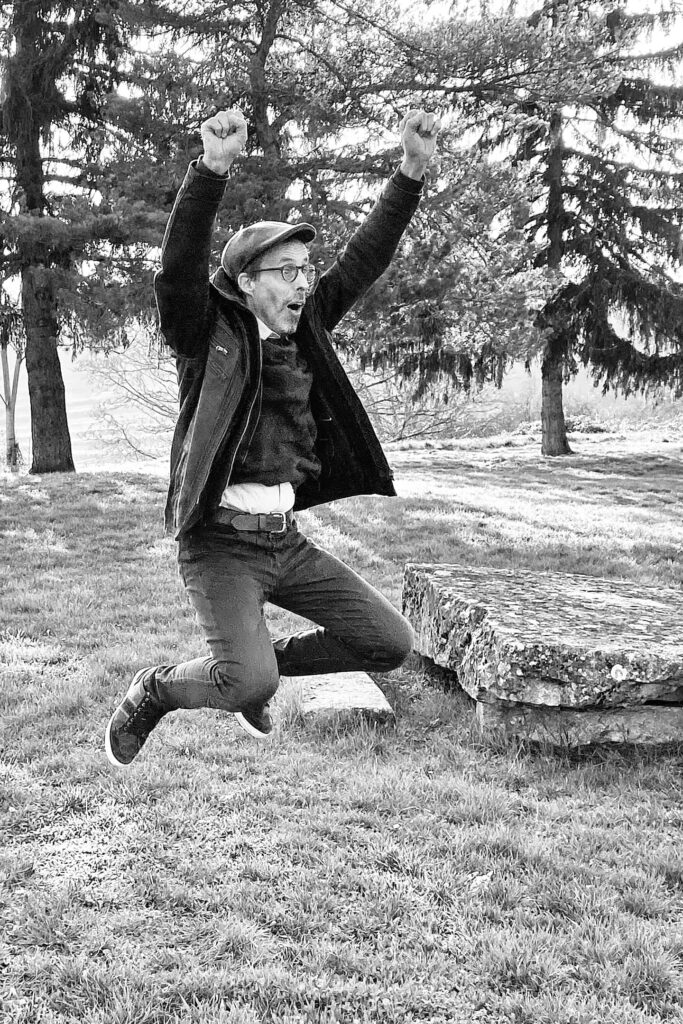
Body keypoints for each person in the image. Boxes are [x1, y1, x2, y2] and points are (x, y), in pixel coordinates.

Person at [105, 105, 440, 767]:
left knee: (389, 643)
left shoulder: (306, 327)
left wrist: (410, 171)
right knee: (246, 683)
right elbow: (177, 271)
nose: (302, 282)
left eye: (304, 269)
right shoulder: (205, 334)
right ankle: (156, 689)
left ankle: (253, 666)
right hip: (218, 543)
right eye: (286, 270)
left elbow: (363, 260)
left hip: (283, 541)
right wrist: (211, 170)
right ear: (246, 283)